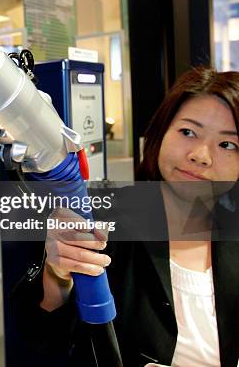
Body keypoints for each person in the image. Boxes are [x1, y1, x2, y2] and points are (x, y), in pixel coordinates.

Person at [15, 67, 239, 367]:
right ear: (160, 134)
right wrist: (58, 274)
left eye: (227, 144)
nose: (201, 155)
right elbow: (44, 337)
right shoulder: (105, 217)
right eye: (188, 132)